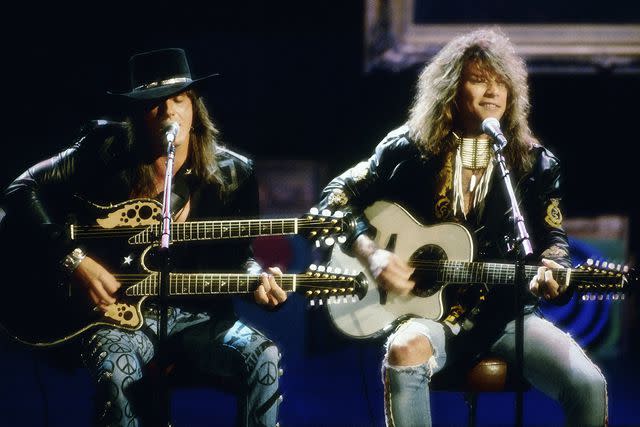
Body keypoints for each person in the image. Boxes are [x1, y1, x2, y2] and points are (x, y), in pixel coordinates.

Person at [316, 28, 608, 426]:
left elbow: (553, 239)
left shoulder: (534, 163)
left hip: (507, 317)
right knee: (403, 350)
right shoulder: (407, 150)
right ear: (451, 90)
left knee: (589, 384)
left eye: (500, 81)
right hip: (426, 318)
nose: (492, 91)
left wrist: (554, 268)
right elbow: (335, 197)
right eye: (478, 79)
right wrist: (372, 252)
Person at [1, 48, 287, 426]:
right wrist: (74, 261)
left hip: (199, 320)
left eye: (178, 100)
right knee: (117, 372)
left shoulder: (235, 173)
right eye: (154, 104)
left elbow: (240, 257)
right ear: (138, 115)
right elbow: (20, 190)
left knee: (262, 354)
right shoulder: (104, 151)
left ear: (194, 107)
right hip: (115, 317)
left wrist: (258, 279)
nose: (169, 112)